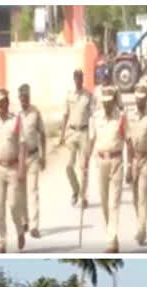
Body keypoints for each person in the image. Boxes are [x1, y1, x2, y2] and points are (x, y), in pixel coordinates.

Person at [84, 86, 132, 253]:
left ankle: (111, 241)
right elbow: (91, 140)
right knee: (104, 202)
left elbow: (129, 141)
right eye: (104, 102)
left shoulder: (121, 118)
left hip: (117, 161)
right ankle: (112, 236)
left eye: (109, 102)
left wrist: (130, 166)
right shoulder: (95, 118)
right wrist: (86, 160)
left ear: (114, 101)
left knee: (113, 203)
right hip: (101, 161)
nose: (107, 105)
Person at [0, 89, 27, 253]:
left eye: (2, 102)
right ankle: (2, 242)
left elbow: (22, 146)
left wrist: (22, 168)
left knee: (14, 205)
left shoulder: (16, 121)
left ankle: (20, 231)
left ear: (7, 103)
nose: (0, 105)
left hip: (13, 167)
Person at [129, 84, 147, 246]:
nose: (139, 101)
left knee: (142, 195)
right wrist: (127, 165)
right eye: (137, 98)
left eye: (142, 98)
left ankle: (142, 229)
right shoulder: (129, 115)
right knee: (134, 197)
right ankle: (140, 222)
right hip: (133, 159)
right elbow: (126, 140)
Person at [59, 70, 95, 208]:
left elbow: (93, 115)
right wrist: (62, 135)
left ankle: (83, 196)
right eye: (76, 78)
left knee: (84, 167)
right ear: (74, 79)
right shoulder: (69, 96)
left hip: (84, 132)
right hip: (72, 132)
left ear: (82, 79)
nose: (78, 80)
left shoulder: (88, 96)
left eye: (80, 78)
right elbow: (65, 115)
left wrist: (93, 135)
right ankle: (75, 189)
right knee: (69, 166)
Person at [17, 84, 46, 239]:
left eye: (26, 97)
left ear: (29, 97)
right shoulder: (16, 115)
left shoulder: (35, 113)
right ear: (19, 98)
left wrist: (44, 156)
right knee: (21, 192)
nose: (24, 100)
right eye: (22, 98)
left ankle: (35, 226)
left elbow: (42, 134)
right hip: (20, 159)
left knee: (33, 190)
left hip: (34, 155)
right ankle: (24, 221)